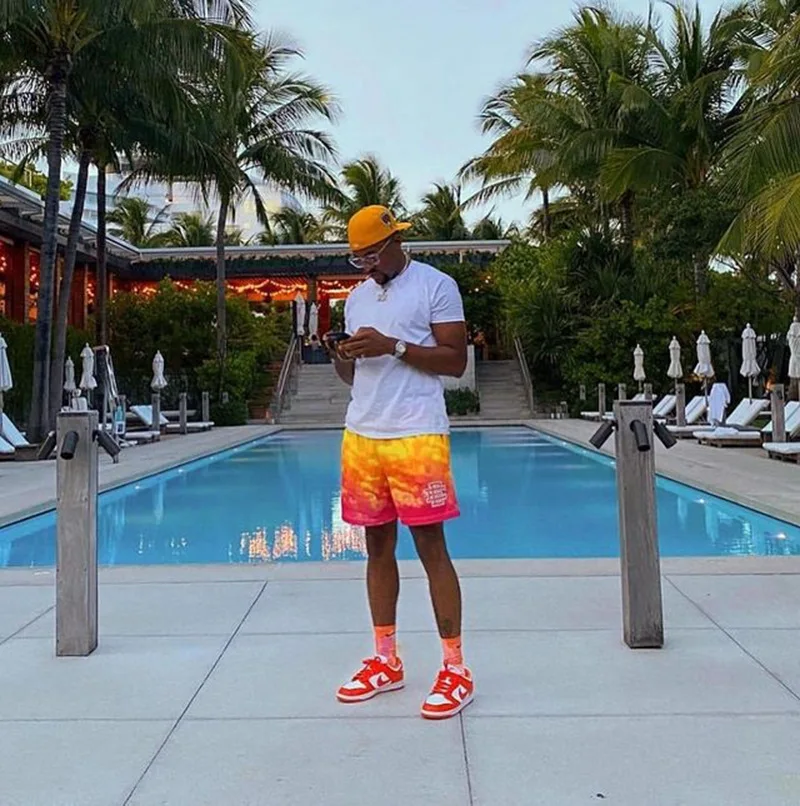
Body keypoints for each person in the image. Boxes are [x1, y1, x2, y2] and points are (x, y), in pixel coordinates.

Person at [325, 204, 474, 720]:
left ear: (395, 242)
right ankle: (385, 659)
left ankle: (455, 667)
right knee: (376, 546)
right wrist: (343, 356)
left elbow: (455, 361)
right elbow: (353, 377)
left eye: (370, 255)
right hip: (363, 432)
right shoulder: (356, 298)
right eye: (357, 259)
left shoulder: (436, 285)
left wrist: (394, 346)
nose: (365, 266)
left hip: (416, 432)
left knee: (431, 546)